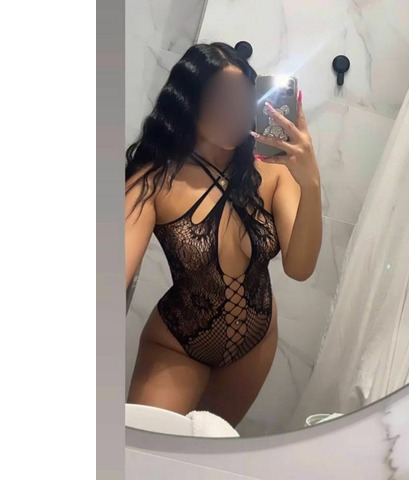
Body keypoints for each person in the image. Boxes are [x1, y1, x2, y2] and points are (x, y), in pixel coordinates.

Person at [124, 42, 322, 427]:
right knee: (147, 447)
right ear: (189, 101)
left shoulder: (274, 171)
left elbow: (299, 268)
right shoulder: (154, 181)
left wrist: (310, 182)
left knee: (210, 453)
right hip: (179, 343)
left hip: (254, 345)